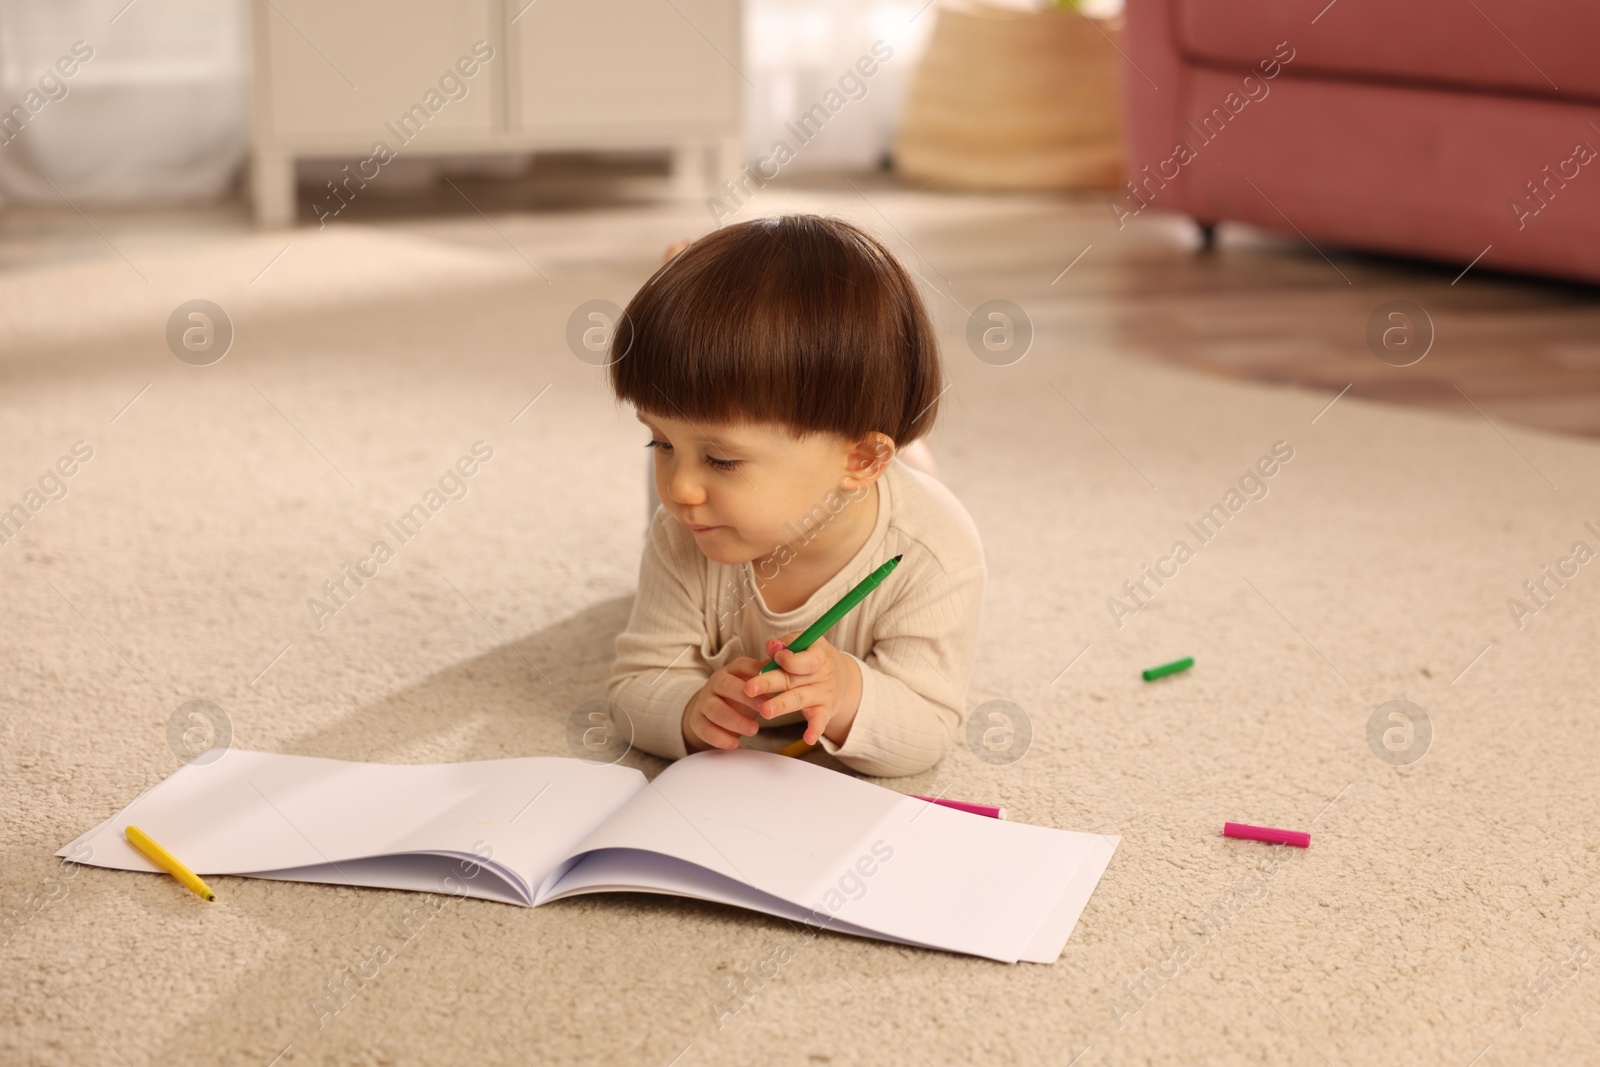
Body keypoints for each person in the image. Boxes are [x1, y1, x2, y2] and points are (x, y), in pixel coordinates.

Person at [605, 214, 985, 778]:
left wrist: (848, 693)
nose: (678, 489)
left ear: (860, 459)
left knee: (916, 465)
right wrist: (686, 710)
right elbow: (634, 685)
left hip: (883, 484)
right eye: (656, 441)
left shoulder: (934, 552)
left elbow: (929, 728)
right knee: (676, 491)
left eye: (722, 458)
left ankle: (907, 447)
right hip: (797, 487)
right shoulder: (683, 528)